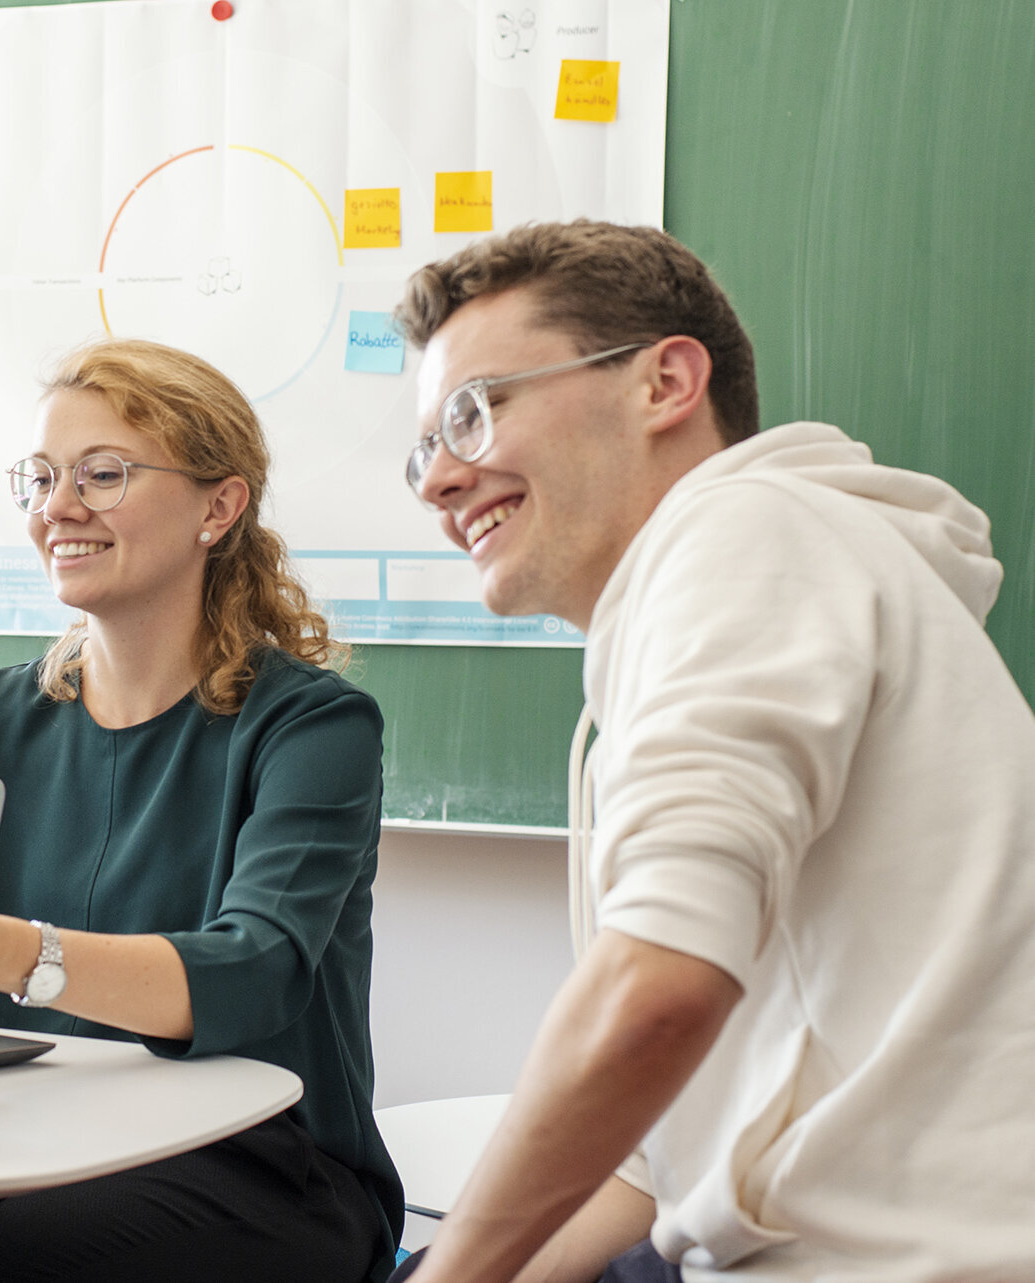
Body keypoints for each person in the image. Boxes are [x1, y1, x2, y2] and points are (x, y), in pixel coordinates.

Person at [390, 220, 1035, 1282]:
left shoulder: (742, 536)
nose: (438, 482)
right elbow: (655, 1162)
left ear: (665, 383)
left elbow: (654, 994)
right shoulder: (743, 582)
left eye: (475, 411)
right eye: (426, 446)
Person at [0, 338, 404, 1281]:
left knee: (16, 1251)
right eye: (40, 478)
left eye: (102, 474)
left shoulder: (314, 725)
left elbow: (256, 970)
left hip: (268, 1167)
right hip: (44, 1140)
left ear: (218, 506)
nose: (56, 508)